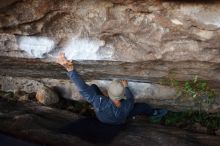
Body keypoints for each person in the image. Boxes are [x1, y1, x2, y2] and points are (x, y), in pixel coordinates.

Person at [56, 52, 167, 125]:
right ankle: (154, 113)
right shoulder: (127, 105)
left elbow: (83, 88)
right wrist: (126, 87)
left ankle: (152, 114)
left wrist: (70, 69)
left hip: (103, 118)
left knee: (93, 87)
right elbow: (130, 98)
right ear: (121, 95)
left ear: (108, 93)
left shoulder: (98, 101)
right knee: (143, 106)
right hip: (121, 119)